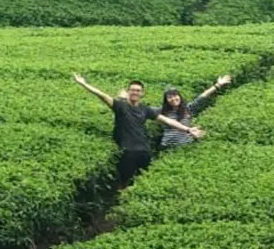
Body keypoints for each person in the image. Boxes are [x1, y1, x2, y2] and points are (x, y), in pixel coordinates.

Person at [73, 73, 204, 183]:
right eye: (132, 90)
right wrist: (84, 83)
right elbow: (101, 95)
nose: (135, 92)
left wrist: (188, 129)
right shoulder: (120, 106)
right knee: (125, 181)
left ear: (142, 93)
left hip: (144, 150)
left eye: (138, 90)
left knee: (145, 181)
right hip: (127, 151)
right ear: (128, 91)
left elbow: (167, 120)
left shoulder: (145, 109)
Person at [158, 74, 231, 150]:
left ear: (179, 96)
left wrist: (218, 85)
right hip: (167, 146)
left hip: (185, 145)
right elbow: (147, 110)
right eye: (170, 97)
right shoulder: (162, 111)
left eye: (175, 96)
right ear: (166, 100)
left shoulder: (188, 109)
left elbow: (202, 96)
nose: (173, 99)